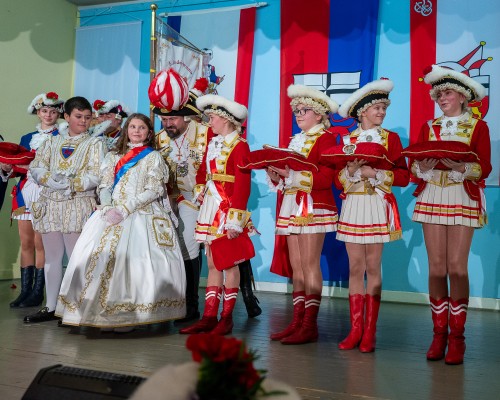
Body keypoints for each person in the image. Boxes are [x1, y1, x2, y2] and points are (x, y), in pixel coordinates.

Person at [55, 113, 186, 331]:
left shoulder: (153, 157)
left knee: (136, 262)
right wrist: (107, 207)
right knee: (95, 257)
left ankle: (127, 314)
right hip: (111, 212)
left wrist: (125, 209)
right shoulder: (113, 156)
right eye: (133, 127)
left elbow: (154, 190)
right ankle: (93, 312)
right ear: (126, 130)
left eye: (142, 127)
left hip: (141, 212)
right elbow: (105, 186)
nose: (136, 131)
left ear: (149, 133)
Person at [150, 71, 261, 322]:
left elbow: (230, 166)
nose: (168, 124)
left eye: (173, 118)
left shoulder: (206, 132)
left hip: (215, 200)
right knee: (199, 250)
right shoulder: (158, 140)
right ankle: (192, 305)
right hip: (182, 199)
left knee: (231, 249)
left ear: (186, 116)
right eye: (164, 119)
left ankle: (245, 295)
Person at [411, 65, 491, 365]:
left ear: (462, 96)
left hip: (461, 194)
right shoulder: (428, 126)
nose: (442, 98)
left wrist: (462, 168)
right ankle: (438, 335)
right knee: (436, 267)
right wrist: (422, 167)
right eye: (439, 94)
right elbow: (414, 164)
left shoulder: (478, 127)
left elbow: (485, 166)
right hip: (432, 193)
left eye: (447, 93)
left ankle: (457, 337)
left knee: (457, 267)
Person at [335, 78, 409, 353]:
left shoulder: (391, 139)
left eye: (384, 108)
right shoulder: (346, 140)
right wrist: (351, 172)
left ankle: (370, 331)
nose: (382, 112)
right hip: (353, 205)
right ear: (362, 111)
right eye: (377, 108)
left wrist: (374, 173)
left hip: (377, 205)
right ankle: (355, 329)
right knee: (355, 267)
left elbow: (404, 176)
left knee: (373, 267)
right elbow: (337, 178)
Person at [267, 85, 339, 345]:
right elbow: (290, 177)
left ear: (319, 114)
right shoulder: (295, 140)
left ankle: (310, 325)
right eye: (296, 111)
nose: (298, 115)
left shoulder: (327, 139)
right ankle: (297, 321)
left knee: (309, 264)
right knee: (296, 266)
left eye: (304, 110)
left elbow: (326, 177)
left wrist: (293, 175)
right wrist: (276, 175)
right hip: (292, 203)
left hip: (313, 205)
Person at [23, 96, 105, 323]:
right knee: (52, 257)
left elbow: (97, 173)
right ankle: (50, 306)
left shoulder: (95, 144)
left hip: (78, 203)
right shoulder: (51, 142)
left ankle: (75, 307)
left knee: (76, 258)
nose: (84, 121)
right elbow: (37, 166)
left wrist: (72, 183)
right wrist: (48, 178)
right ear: (66, 117)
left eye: (87, 117)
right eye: (78, 116)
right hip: (50, 203)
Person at [179, 94, 254, 335]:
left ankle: (226, 317)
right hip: (210, 207)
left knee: (229, 264)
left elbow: (242, 185)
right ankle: (209, 316)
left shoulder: (240, 146)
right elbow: (203, 172)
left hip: (227, 209)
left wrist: (235, 220)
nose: (209, 122)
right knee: (212, 263)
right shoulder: (213, 142)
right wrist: (200, 190)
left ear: (226, 119)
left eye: (212, 118)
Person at [5, 93, 65, 309]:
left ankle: (38, 292)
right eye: (44, 111)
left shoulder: (63, 136)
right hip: (25, 192)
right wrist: (8, 167)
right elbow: (17, 167)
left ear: (58, 114)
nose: (48, 115)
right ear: (37, 112)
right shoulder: (26, 138)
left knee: (41, 244)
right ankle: (25, 291)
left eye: (53, 111)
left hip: (45, 193)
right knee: (26, 243)